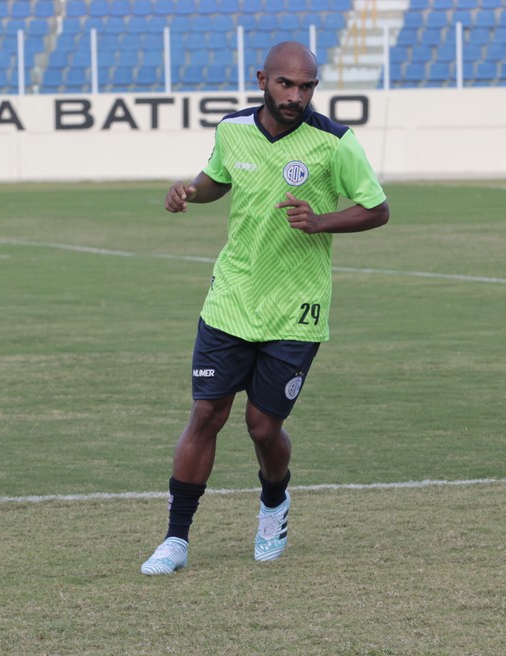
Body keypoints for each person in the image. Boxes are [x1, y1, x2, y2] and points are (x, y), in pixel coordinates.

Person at [140, 41, 390, 575]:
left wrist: (321, 221)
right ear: (262, 80)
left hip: (296, 309)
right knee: (207, 413)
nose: (297, 95)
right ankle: (175, 539)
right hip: (231, 298)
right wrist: (188, 191)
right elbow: (216, 181)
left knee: (261, 427)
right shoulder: (231, 129)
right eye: (286, 84)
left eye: (307, 86)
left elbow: (378, 209)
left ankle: (274, 503)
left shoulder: (335, 143)